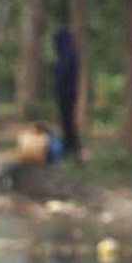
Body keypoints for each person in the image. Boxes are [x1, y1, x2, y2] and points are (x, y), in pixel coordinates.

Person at [52, 27, 83, 163]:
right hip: (65, 92)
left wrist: (55, 66)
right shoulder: (67, 53)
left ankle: (73, 148)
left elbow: (62, 72)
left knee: (68, 121)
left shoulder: (69, 54)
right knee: (66, 121)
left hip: (67, 92)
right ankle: (70, 146)